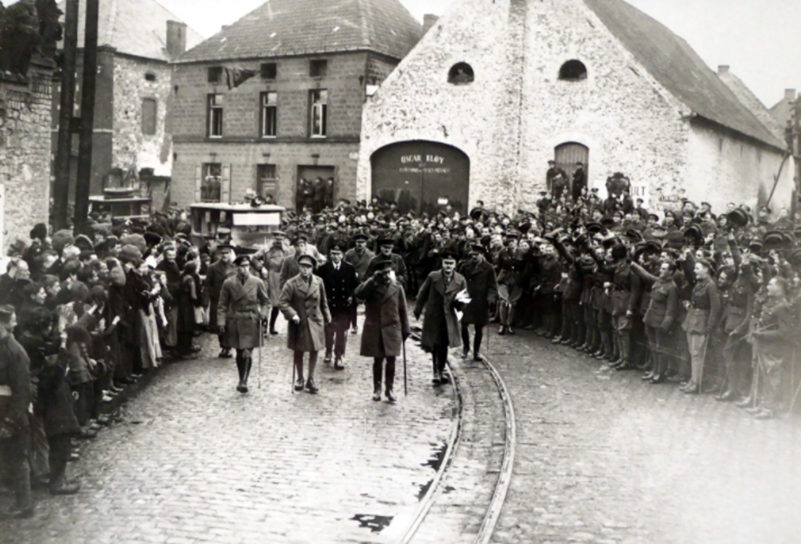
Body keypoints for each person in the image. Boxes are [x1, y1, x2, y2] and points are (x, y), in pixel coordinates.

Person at [354, 258, 410, 402]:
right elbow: (359, 295)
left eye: (388, 273)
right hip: (377, 329)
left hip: (392, 329)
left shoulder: (397, 288)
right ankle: (377, 389)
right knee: (378, 360)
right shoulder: (371, 287)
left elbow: (402, 310)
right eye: (382, 273)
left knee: (391, 360)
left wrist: (405, 330)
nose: (385, 276)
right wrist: (372, 280)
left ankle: (389, 389)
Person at [217, 254, 270, 393]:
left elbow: (266, 302)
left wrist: (263, 315)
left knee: (247, 352)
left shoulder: (257, 282)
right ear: (237, 267)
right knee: (239, 353)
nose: (245, 269)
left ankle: (243, 381)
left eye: (247, 266)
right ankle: (241, 376)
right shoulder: (228, 283)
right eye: (242, 266)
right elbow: (222, 305)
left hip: (251, 319)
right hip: (235, 320)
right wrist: (221, 322)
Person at [0, 304, 34, 519]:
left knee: (17, 458)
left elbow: (23, 392)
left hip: (11, 415)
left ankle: (24, 504)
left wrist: (9, 421)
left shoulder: (15, 352)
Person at [414, 251, 468, 385]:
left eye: (451, 263)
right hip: (434, 315)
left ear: (455, 265)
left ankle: (442, 368)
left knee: (444, 344)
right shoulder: (433, 277)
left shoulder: (460, 279)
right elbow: (423, 293)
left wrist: (460, 306)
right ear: (442, 263)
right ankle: (436, 372)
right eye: (446, 263)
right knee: (435, 344)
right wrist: (418, 309)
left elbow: (465, 298)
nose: (448, 266)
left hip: (449, 317)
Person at [279, 254, 331, 394]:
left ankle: (311, 379)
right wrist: (292, 314)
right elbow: (283, 302)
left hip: (315, 320)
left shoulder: (319, 282)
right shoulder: (291, 283)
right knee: (299, 350)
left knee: (315, 349)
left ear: (312, 268)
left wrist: (328, 318)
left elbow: (323, 303)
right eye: (302, 266)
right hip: (299, 321)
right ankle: (300, 378)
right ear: (299, 267)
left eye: (308, 267)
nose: (305, 270)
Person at [315, 242, 358, 369]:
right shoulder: (323, 269)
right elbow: (318, 286)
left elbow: (354, 286)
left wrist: (351, 296)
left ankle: (339, 355)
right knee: (329, 330)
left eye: (338, 254)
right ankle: (328, 351)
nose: (335, 256)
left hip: (343, 306)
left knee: (341, 331)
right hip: (328, 305)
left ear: (343, 255)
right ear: (329, 254)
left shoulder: (349, 268)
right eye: (333, 254)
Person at [458, 243, 498, 360]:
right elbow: (459, 280)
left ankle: (476, 351)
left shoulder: (488, 268)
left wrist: (491, 298)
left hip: (481, 301)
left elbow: (492, 286)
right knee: (464, 324)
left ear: (482, 255)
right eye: (472, 255)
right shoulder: (465, 266)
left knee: (478, 327)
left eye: (476, 255)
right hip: (466, 299)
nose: (474, 257)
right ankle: (466, 347)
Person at [205, 244, 237, 358]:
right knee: (219, 324)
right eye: (222, 253)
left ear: (230, 254)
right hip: (217, 300)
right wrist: (207, 299)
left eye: (227, 253)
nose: (224, 255)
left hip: (231, 300)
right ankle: (223, 346)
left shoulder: (234, 267)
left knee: (229, 323)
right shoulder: (212, 267)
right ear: (219, 254)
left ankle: (227, 346)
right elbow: (207, 284)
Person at [344, 231, 375, 334]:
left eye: (362, 242)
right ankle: (354, 325)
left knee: (369, 304)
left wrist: (368, 279)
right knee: (352, 304)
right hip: (352, 282)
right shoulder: (349, 254)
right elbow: (344, 267)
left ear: (366, 243)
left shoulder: (371, 255)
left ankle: (369, 325)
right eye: (358, 242)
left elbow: (373, 269)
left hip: (366, 282)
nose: (360, 244)